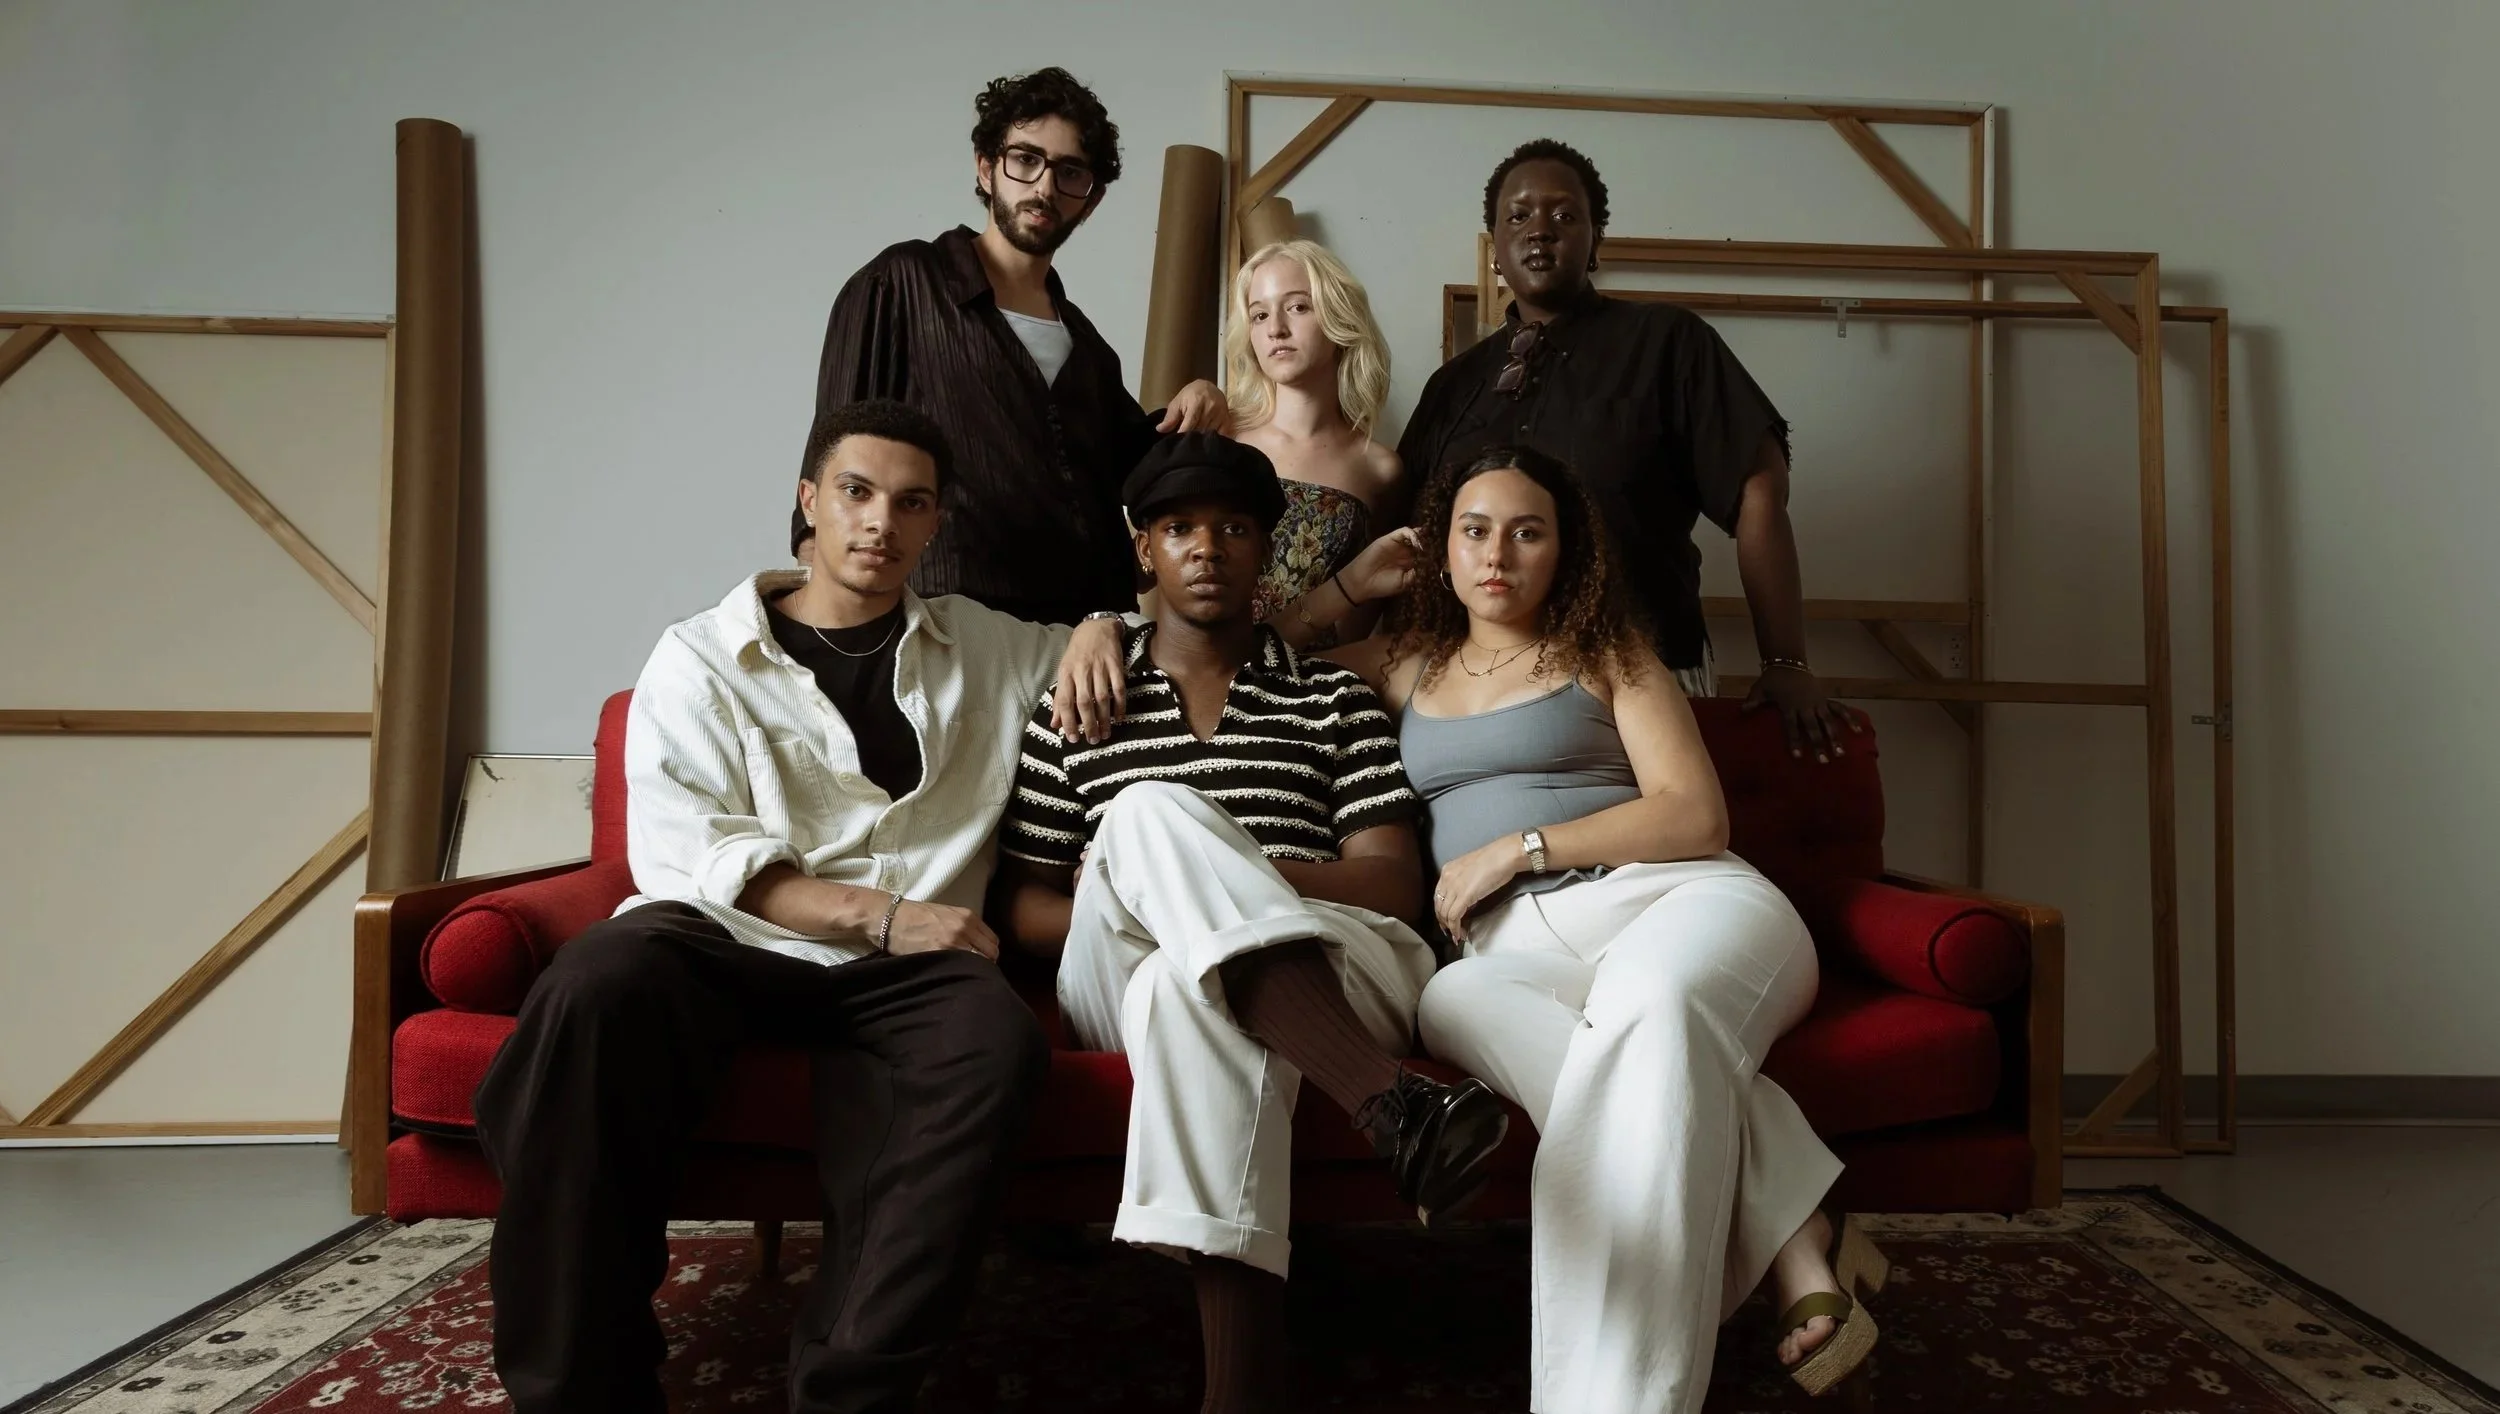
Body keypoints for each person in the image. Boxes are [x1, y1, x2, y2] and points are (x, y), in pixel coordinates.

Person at [473, 400, 1130, 1414]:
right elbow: (682, 846)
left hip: (909, 976)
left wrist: (1097, 624)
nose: (879, 524)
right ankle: (578, 1388)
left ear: (934, 523)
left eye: (910, 504)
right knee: (596, 983)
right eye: (857, 494)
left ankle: (848, 1393)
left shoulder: (983, 648)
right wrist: (876, 915)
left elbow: (1139, 636)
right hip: (729, 939)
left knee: (993, 1038)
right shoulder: (699, 654)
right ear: (808, 502)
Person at [1324, 446, 1883, 1413]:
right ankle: (1801, 1222)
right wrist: (1346, 582)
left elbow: (1694, 815)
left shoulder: (1609, 651)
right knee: (1451, 998)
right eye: (1474, 529)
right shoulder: (1400, 664)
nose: (1498, 552)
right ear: (1441, 551)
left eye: (1527, 531)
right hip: (1500, 956)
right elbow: (1249, 656)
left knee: (1655, 1010)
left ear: (1564, 550)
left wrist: (1521, 847)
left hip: (1677, 903)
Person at [996, 432, 1512, 1414]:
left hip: (1338, 958)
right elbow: (1022, 901)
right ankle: (1388, 1103)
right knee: (1146, 819)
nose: (1206, 548)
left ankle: (1240, 1390)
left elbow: (1393, 885)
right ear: (1141, 547)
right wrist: (1161, 893)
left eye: (1234, 528)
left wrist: (1222, 895)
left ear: (1266, 551)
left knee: (1183, 987)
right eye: (1178, 527)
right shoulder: (1077, 700)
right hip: (1115, 958)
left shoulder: (1331, 696)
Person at [1397, 138, 1859, 763]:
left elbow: (1759, 488)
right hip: (1480, 692)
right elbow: (1413, 533)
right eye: (1518, 216)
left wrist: (1784, 658)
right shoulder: (1455, 385)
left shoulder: (1667, 343)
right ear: (1494, 247)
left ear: (1597, 238)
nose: (1539, 231)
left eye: (1563, 216)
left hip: (1646, 671)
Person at [798, 66, 1230, 626]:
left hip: (1079, 638)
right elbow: (835, 448)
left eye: (1070, 172)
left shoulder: (1088, 348)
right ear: (987, 167)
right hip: (946, 621)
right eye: (1026, 160)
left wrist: (1198, 400)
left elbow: (1132, 463)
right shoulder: (903, 283)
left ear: (1090, 200)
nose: (1045, 187)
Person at [1219, 238, 1406, 648]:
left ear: (1339, 316)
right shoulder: (1221, 440)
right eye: (1259, 315)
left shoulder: (1379, 468)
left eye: (1298, 306)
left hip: (1312, 692)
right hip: (1206, 675)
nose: (1276, 329)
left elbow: (1358, 623)